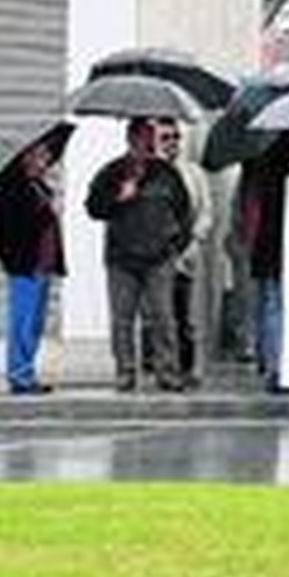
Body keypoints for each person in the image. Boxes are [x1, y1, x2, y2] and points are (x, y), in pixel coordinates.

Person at [86, 117, 194, 393]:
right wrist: (118, 198)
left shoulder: (167, 173)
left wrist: (174, 246)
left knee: (163, 317)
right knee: (122, 318)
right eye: (139, 139)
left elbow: (184, 212)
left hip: (159, 259)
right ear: (129, 140)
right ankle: (125, 372)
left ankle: (167, 372)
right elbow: (93, 207)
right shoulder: (111, 172)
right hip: (121, 259)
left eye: (149, 139)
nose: (144, 145)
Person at [0, 138, 65, 395]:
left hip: (43, 264)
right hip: (25, 265)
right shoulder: (14, 189)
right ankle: (19, 375)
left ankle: (27, 371)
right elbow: (8, 230)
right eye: (42, 156)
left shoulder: (40, 186)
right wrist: (11, 262)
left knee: (35, 322)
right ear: (28, 158)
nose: (47, 162)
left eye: (47, 157)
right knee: (22, 321)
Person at [239, 133, 289, 391]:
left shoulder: (260, 158)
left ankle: (269, 361)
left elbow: (252, 204)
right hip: (286, 240)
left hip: (265, 242)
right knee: (278, 304)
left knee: (268, 302)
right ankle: (277, 366)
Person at [154, 120, 212, 390]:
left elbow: (206, 212)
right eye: (166, 137)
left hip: (186, 252)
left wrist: (195, 241)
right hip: (156, 253)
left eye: (176, 137)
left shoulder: (194, 174)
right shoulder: (150, 172)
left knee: (185, 314)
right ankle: (160, 366)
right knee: (158, 314)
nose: (172, 143)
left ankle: (187, 368)